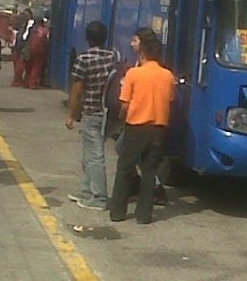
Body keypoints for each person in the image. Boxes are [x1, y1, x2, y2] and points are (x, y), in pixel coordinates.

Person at [109, 37, 175, 224]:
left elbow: (124, 103)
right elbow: (169, 99)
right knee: (149, 171)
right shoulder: (168, 76)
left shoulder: (133, 74)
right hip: (158, 128)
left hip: (136, 126)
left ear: (142, 52)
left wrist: (122, 117)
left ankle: (118, 211)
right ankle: (144, 215)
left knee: (124, 168)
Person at [65, 21, 120, 211]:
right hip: (110, 112)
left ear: (87, 38)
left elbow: (77, 88)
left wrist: (71, 114)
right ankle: (86, 191)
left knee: (95, 156)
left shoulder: (84, 58)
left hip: (92, 111)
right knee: (90, 153)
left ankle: (99, 198)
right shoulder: (114, 56)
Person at [11, 8, 34, 87]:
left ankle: (17, 80)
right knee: (21, 64)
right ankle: (17, 80)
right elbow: (24, 36)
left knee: (17, 64)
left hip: (16, 44)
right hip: (22, 45)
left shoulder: (19, 23)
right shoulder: (28, 24)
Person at [25, 17, 50, 89]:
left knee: (28, 67)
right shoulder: (45, 31)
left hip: (30, 49)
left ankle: (26, 83)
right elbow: (47, 41)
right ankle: (32, 84)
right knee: (36, 67)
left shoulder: (31, 29)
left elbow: (26, 39)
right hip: (40, 51)